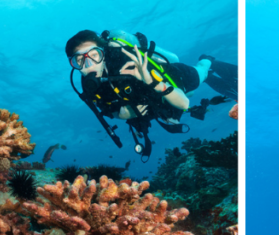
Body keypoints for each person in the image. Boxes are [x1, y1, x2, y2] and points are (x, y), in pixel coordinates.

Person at [65, 29, 237, 159]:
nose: (89, 64)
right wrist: (124, 113)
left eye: (94, 55)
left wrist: (150, 80)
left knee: (198, 78)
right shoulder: (89, 86)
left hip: (173, 78)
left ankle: (207, 61)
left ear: (103, 52)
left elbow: (184, 104)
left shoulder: (129, 59)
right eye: (79, 60)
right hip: (154, 103)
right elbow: (108, 112)